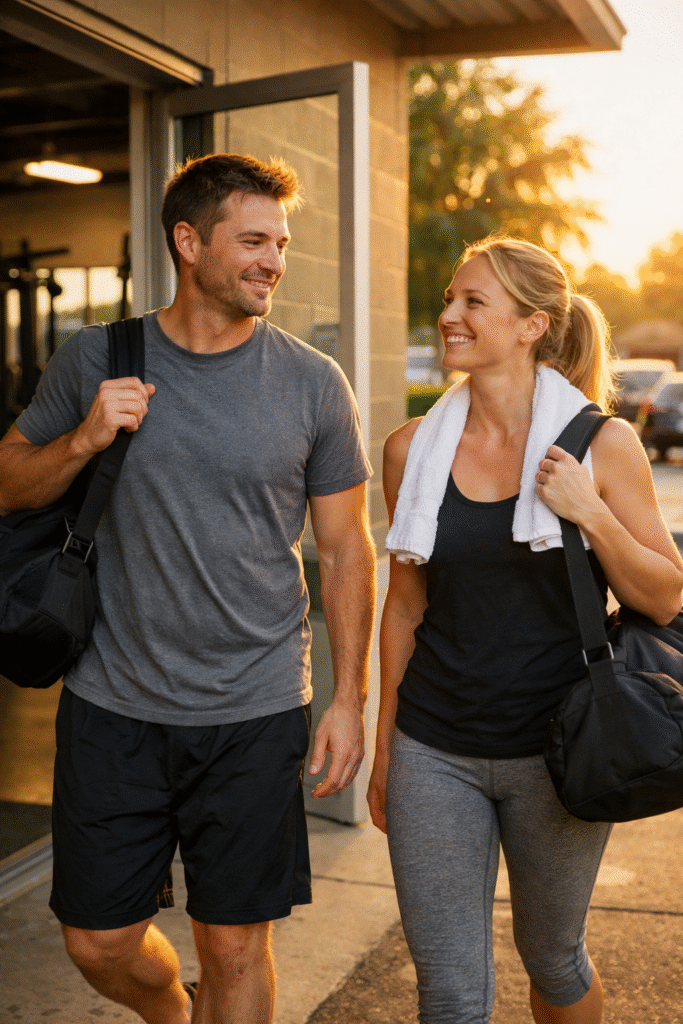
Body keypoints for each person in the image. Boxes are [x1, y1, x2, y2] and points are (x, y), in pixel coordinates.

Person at [0, 152, 376, 1024]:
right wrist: (84, 439)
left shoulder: (313, 384)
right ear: (188, 241)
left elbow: (348, 551)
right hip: (113, 699)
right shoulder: (97, 355)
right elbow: (9, 482)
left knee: (237, 943)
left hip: (253, 705)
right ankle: (173, 1013)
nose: (272, 261)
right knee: (98, 940)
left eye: (279, 243)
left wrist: (350, 699)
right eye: (252, 240)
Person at [367, 236, 683, 1024]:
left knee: (551, 957)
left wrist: (591, 514)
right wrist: (385, 748)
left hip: (559, 746)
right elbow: (404, 604)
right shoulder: (411, 449)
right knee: (446, 986)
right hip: (432, 749)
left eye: (472, 302)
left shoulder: (600, 445)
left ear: (531, 325)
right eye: (450, 297)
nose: (448, 316)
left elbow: (666, 595)